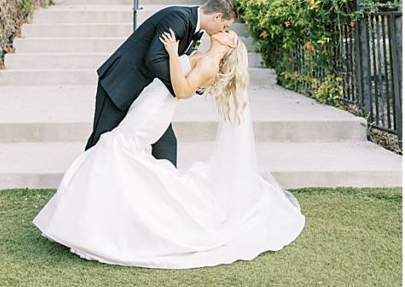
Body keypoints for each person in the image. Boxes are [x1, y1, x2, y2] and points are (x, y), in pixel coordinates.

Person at [33, 24, 305, 268]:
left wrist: (174, 54)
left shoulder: (210, 64)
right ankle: (102, 221)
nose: (223, 30)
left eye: (228, 33)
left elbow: (183, 90)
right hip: (150, 101)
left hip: (157, 108)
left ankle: (101, 225)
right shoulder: (205, 55)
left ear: (230, 45)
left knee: (117, 147)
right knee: (119, 150)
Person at [84, 0, 237, 166]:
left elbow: (177, 65)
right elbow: (154, 59)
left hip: (147, 94)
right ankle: (83, 185)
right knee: (100, 141)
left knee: (166, 143)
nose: (223, 31)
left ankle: (167, 187)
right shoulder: (178, 18)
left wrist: (194, 84)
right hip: (121, 85)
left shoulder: (192, 26)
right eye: (225, 26)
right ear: (216, 17)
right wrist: (182, 86)